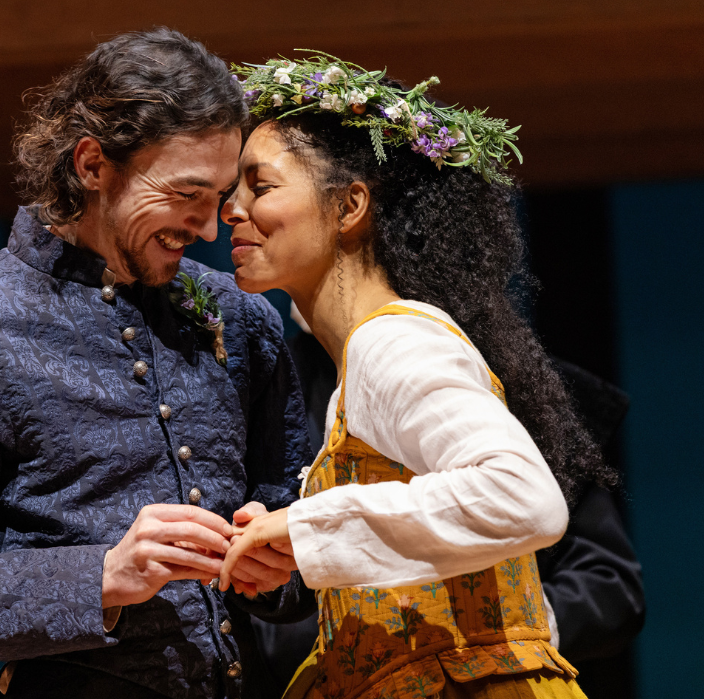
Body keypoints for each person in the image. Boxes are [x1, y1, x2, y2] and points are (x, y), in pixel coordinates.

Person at [0, 29, 314, 699]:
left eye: (218, 198)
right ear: (93, 164)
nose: (210, 229)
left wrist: (280, 569)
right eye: (187, 193)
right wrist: (102, 575)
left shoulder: (241, 320)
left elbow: (290, 527)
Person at [219, 54, 620, 698]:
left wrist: (305, 528)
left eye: (259, 187)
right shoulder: (367, 356)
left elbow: (523, 498)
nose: (229, 210)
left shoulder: (393, 340)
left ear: (349, 206)